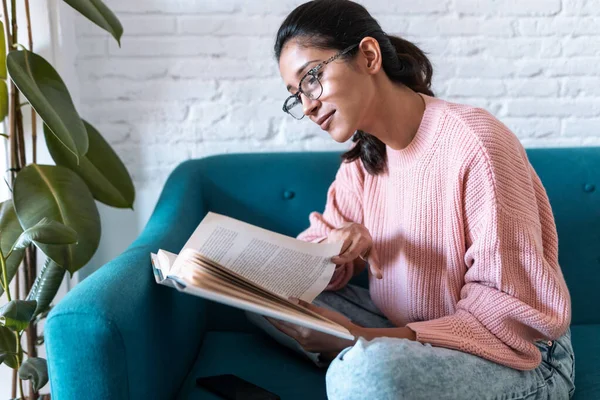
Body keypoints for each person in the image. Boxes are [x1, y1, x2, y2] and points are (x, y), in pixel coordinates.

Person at [249, 1, 576, 398]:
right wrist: (340, 247)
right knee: (257, 288)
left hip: (517, 355)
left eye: (312, 78)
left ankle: (364, 371)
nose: (308, 104)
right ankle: (376, 370)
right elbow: (311, 250)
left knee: (361, 376)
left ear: (368, 56)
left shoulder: (475, 143)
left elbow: (506, 317)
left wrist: (357, 338)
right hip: (408, 325)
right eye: (295, 95)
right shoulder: (364, 158)